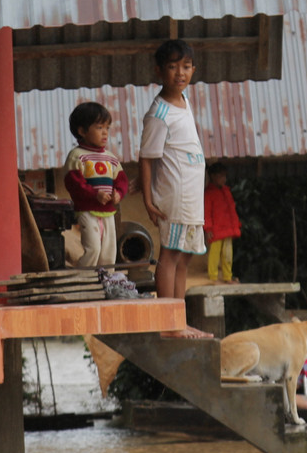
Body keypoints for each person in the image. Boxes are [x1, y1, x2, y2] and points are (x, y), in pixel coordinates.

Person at [139, 40, 211, 338]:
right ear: (159, 71)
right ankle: (167, 324)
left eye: (185, 66)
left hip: (192, 195)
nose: (179, 73)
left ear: (193, 69)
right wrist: (147, 197)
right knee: (170, 255)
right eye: (172, 67)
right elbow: (146, 157)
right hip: (175, 194)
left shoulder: (184, 101)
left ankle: (178, 320)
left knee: (184, 256)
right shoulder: (159, 113)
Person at [63, 102, 130, 267]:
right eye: (100, 127)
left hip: (108, 212)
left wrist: (118, 193)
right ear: (82, 131)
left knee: (108, 252)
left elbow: (122, 180)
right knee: (92, 249)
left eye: (107, 128)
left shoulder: (111, 158)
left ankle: (105, 282)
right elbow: (74, 183)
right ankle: (83, 280)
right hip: (87, 211)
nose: (105, 132)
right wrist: (94, 194)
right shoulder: (77, 156)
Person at [204, 162, 241, 283]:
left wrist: (235, 226)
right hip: (216, 229)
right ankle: (213, 276)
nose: (224, 179)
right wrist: (208, 228)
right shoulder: (209, 193)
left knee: (228, 254)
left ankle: (227, 276)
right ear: (213, 176)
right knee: (214, 254)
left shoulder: (226, 191)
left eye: (225, 176)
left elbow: (231, 210)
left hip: (227, 228)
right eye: (221, 176)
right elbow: (206, 212)